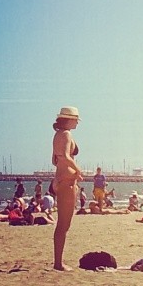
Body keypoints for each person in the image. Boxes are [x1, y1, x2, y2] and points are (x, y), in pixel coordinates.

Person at [51, 106, 83, 271]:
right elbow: (64, 156)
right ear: (69, 119)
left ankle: (58, 262)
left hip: (63, 180)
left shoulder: (58, 135)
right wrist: (77, 170)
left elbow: (55, 160)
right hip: (66, 183)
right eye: (76, 119)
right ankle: (58, 263)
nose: (77, 122)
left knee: (63, 224)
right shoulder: (66, 134)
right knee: (63, 225)